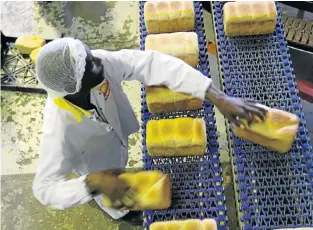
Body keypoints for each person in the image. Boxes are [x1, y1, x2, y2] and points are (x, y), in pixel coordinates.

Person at [32, 37, 266, 225]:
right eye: (91, 64)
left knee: (120, 167)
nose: (100, 60)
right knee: (114, 195)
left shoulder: (99, 64)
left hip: (116, 140)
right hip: (94, 163)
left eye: (90, 53)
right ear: (75, 88)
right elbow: (45, 189)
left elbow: (150, 63)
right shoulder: (58, 127)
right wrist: (93, 183)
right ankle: (123, 215)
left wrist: (216, 95)